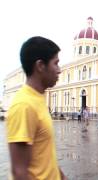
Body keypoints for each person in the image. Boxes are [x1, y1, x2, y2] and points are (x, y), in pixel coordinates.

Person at [6, 36, 66, 179]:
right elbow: (19, 172)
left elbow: (44, 155)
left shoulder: (38, 98)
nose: (59, 70)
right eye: (55, 63)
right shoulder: (24, 105)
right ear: (40, 66)